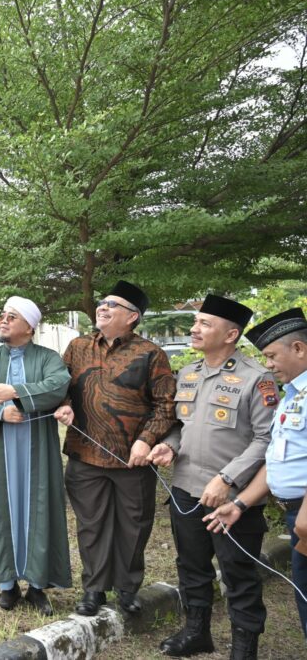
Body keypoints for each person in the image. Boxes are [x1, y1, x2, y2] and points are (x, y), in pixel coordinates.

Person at [147, 295, 274, 658]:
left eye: (205, 323)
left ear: (231, 333)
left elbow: (267, 439)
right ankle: (196, 632)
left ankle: (243, 649)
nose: (194, 328)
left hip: (234, 498)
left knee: (238, 573)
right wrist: (169, 446)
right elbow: (178, 426)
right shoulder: (187, 375)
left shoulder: (256, 379)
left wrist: (228, 478)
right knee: (191, 565)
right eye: (196, 322)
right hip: (186, 490)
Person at [55, 280, 176, 616]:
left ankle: (127, 587)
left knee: (133, 525)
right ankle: (93, 590)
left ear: (132, 316)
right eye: (102, 302)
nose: (103, 307)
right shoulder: (78, 347)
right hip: (85, 453)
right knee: (91, 525)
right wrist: (63, 404)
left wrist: (146, 441)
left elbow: (166, 405)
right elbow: (60, 386)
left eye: (113, 304)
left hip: (132, 459)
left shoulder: (151, 354)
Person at [202, 307, 307, 642]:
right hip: (296, 515)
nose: (269, 365)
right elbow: (278, 460)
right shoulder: (292, 395)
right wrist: (241, 504)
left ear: (299, 349)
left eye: (272, 356)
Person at [0, 297, 71, 615]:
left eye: (12, 317)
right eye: (2, 316)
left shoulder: (48, 358)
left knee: (40, 507)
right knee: (0, 510)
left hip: (39, 450)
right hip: (0, 451)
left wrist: (16, 393)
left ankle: (38, 587)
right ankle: (6, 587)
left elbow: (58, 384)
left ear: (29, 326)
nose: (3, 320)